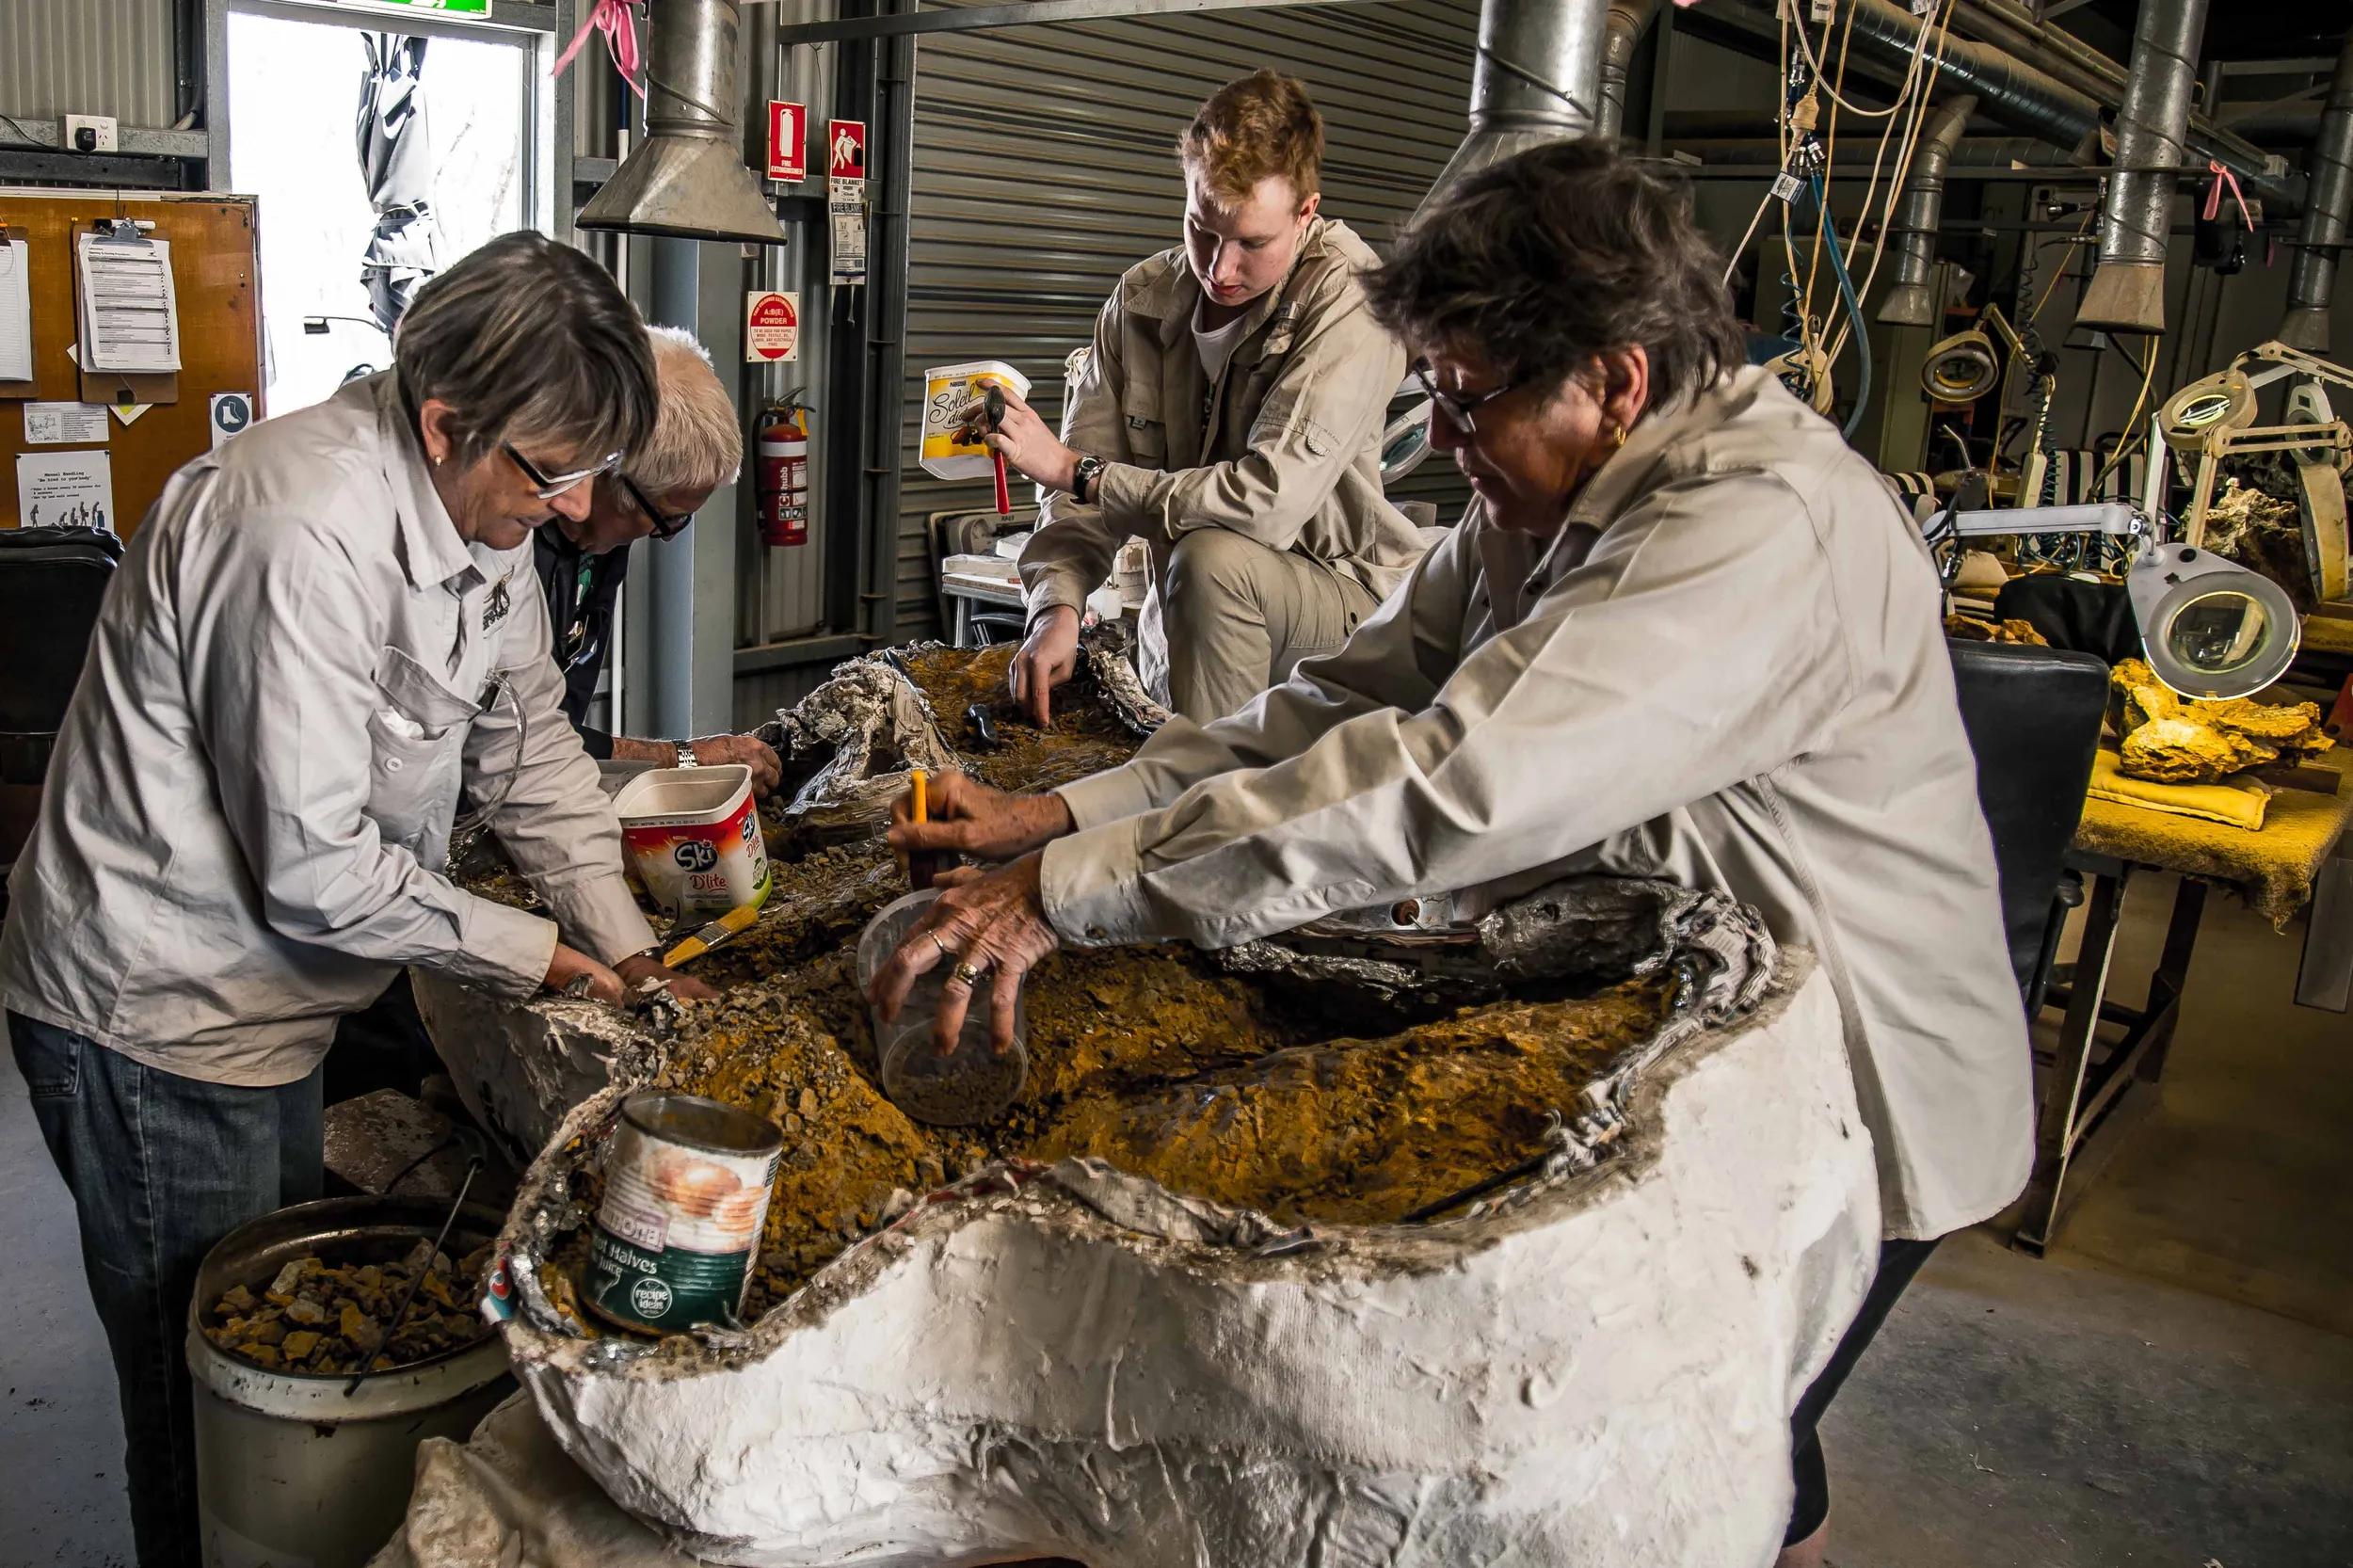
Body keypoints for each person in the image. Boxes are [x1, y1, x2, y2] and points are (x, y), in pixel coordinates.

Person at [871, 142, 2033, 1568]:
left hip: (1855, 1070)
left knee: (1694, 1439)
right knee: (1745, 1431)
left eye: (1470, 398)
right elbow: (1341, 701)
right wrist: (1067, 815)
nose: (1448, 436)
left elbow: (1444, 781)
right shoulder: (1535, 490)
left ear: (1616, 378)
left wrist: (1076, 896)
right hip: (1690, 1017)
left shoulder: (1755, 529)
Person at [0, 231, 711, 1568]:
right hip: (157, 1013)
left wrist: (635, 946)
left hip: (269, 999)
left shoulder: (469, 501)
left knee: (271, 1338)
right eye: (551, 475)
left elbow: (525, 746)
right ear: (447, 420)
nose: (569, 512)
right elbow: (315, 868)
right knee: (206, 1385)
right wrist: (547, 957)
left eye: (587, 476)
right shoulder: (296, 532)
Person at [979, 70, 1425, 726]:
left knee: (1213, 558)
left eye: (1252, 243)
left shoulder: (1348, 296)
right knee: (1201, 576)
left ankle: (1206, 812)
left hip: (1348, 615)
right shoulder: (1140, 301)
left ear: (1306, 212)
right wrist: (1056, 607)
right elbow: (1079, 500)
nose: (1220, 268)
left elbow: (1264, 506)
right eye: (1202, 228)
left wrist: (1084, 472)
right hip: (1194, 622)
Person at [536, 323, 782, 793]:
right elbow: (517, 741)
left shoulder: (605, 533)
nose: (666, 537)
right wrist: (683, 759)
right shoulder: (508, 543)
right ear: (610, 476)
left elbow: (554, 727)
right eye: (668, 519)